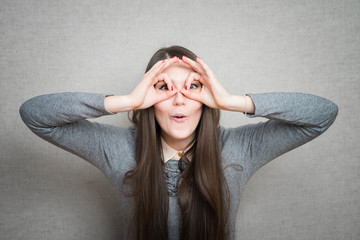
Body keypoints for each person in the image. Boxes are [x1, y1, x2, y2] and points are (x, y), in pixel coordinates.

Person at [19, 45, 338, 240]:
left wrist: (230, 101)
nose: (179, 100)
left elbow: (322, 114)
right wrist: (127, 100)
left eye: (193, 87)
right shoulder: (118, 150)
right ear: (148, 97)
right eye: (163, 88)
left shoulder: (238, 149)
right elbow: (34, 114)